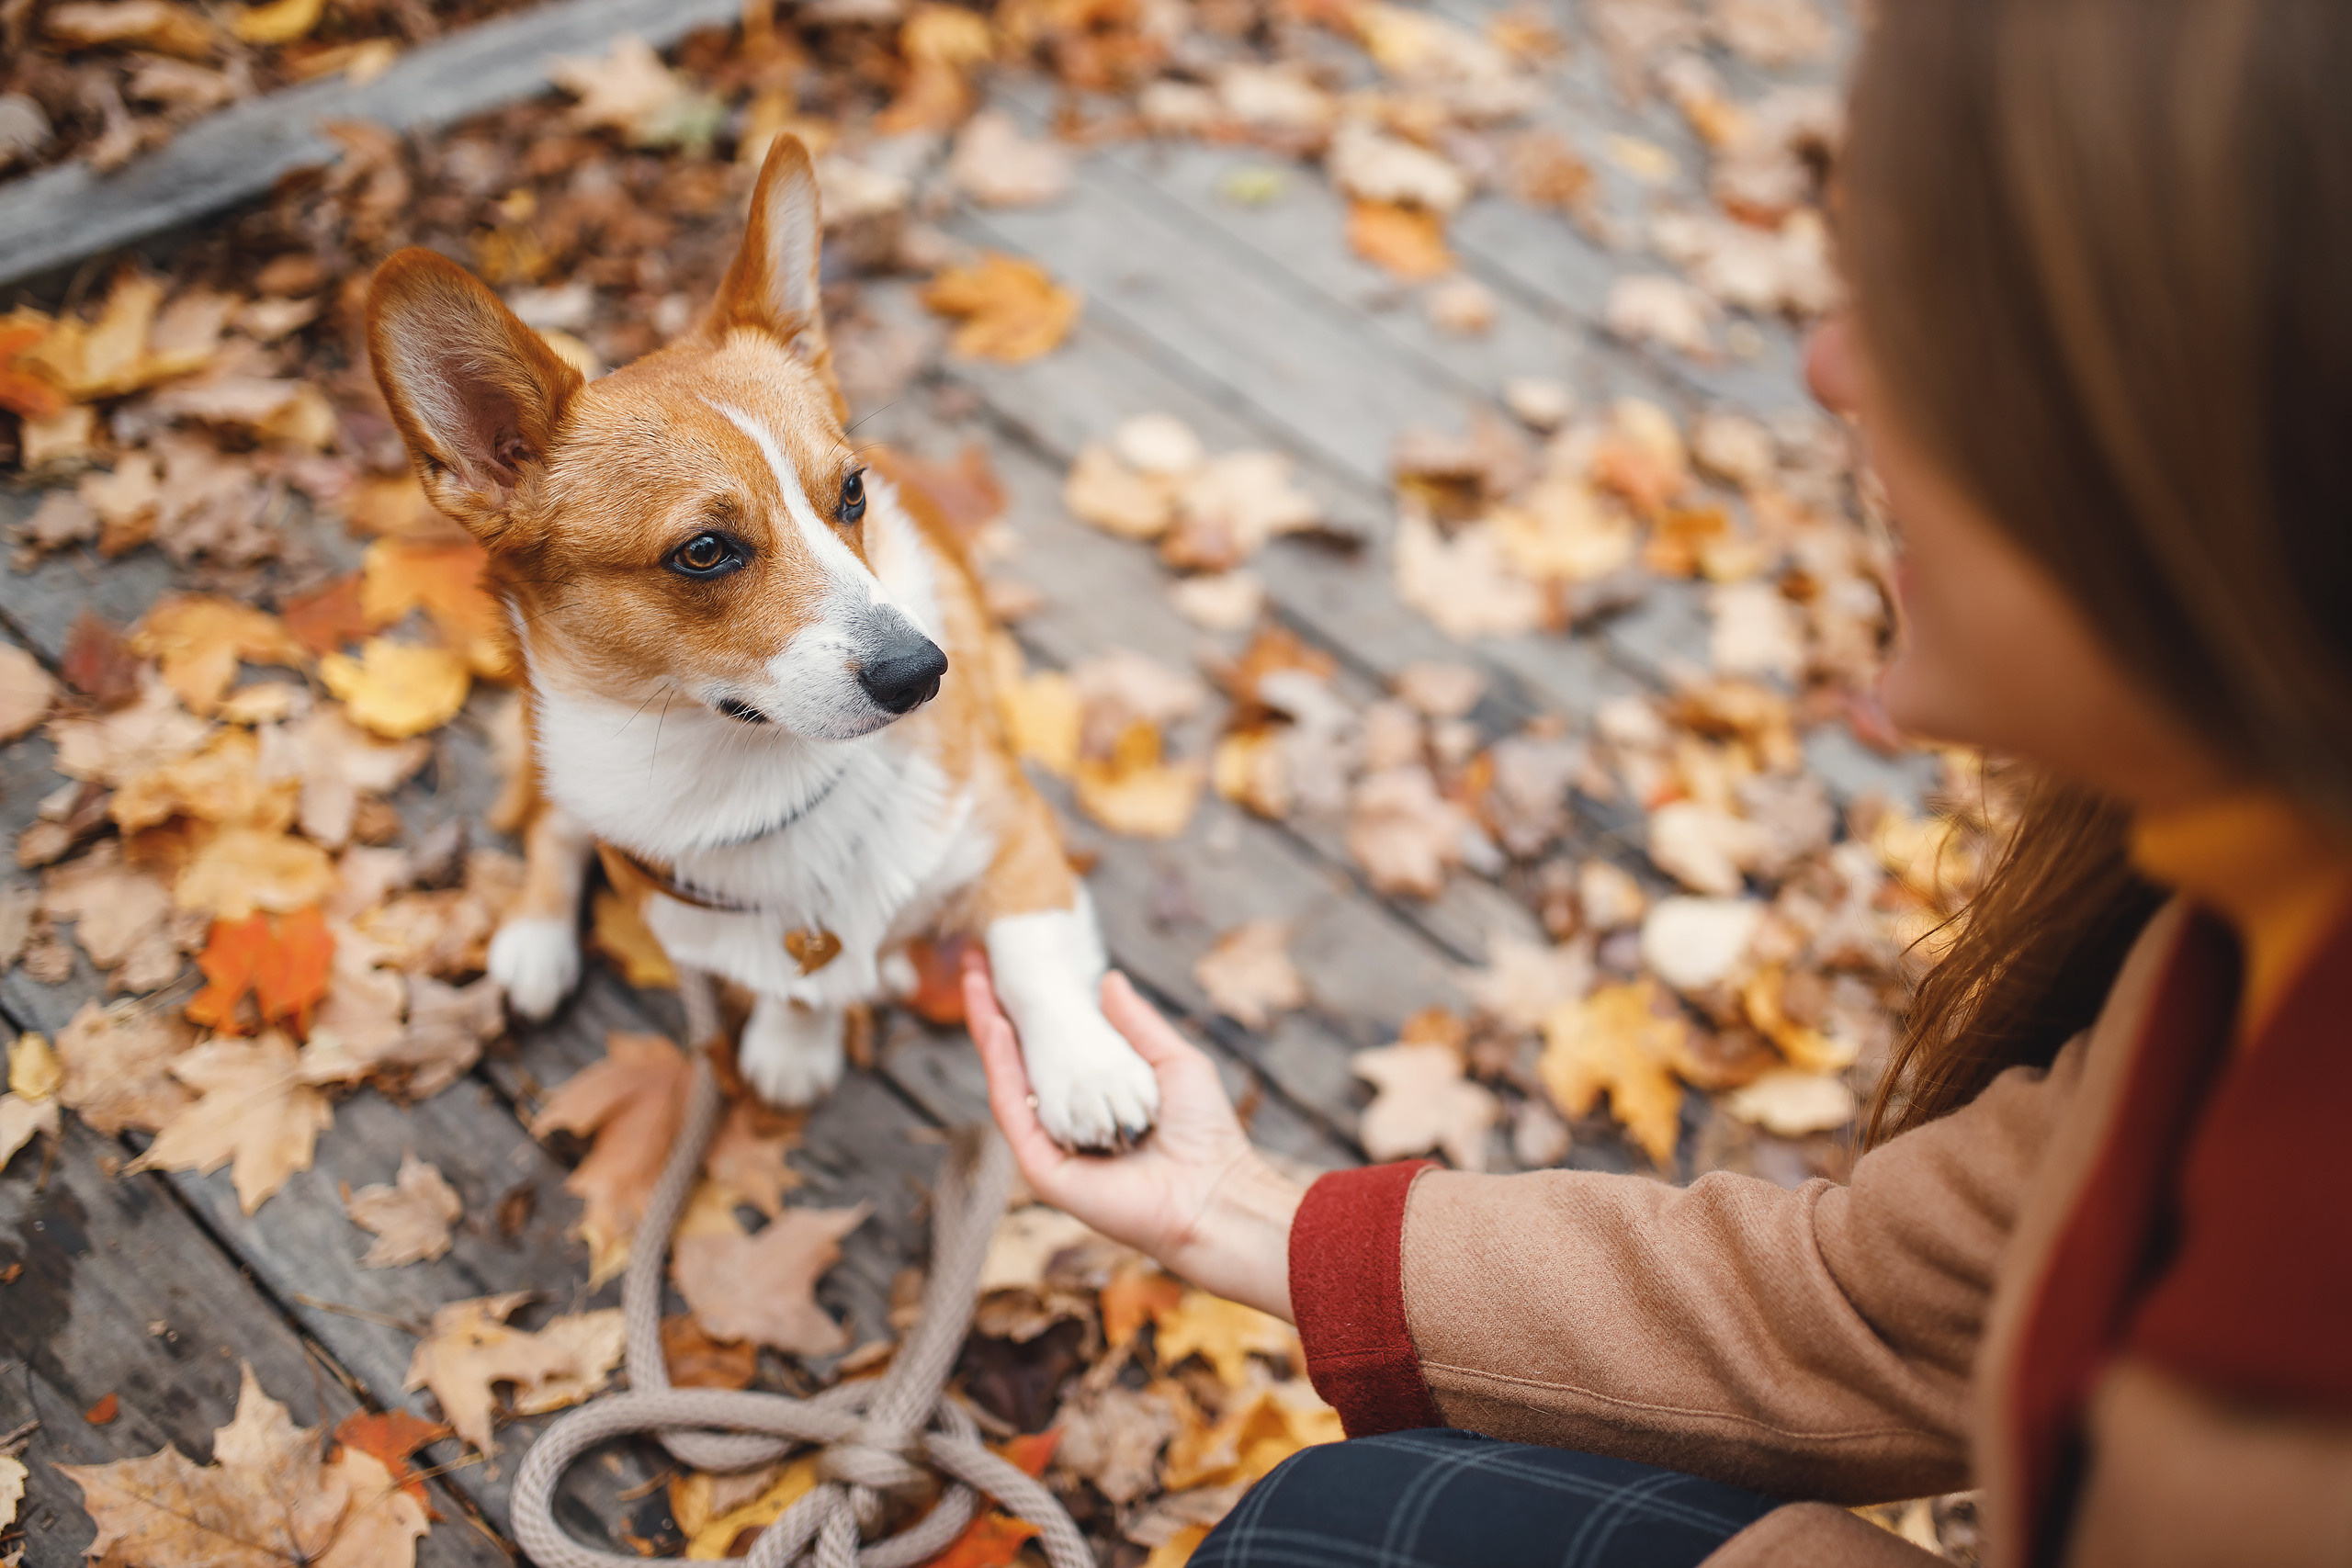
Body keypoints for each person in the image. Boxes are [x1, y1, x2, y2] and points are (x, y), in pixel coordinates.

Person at [962, 0, 2352, 1562]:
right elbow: (1870, 1315)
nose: (1831, 365)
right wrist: (1243, 1211)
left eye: (1952, 306)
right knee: (1328, 1523)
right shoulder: (2249, 913)